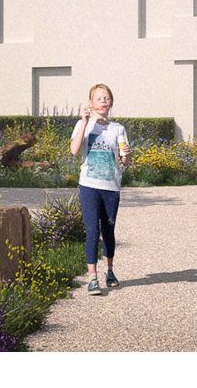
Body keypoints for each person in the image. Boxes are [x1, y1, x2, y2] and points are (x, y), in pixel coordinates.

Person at [69, 82, 129, 294]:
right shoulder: (83, 124)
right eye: (99, 98)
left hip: (111, 187)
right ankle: (92, 278)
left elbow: (123, 161)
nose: (103, 101)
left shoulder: (118, 129)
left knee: (108, 231)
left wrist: (126, 156)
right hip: (89, 186)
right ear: (91, 103)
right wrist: (85, 122)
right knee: (92, 231)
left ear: (111, 102)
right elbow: (74, 150)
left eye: (106, 98)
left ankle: (109, 271)